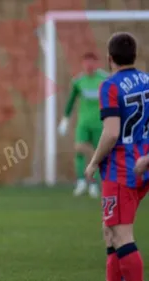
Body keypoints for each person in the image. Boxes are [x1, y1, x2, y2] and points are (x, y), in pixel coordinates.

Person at [85, 32, 149, 281]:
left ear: (109, 58)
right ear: (135, 55)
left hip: (122, 171)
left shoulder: (109, 86)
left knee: (122, 236)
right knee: (110, 233)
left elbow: (111, 133)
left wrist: (93, 162)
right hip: (142, 165)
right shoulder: (147, 80)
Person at [58, 52, 109, 198]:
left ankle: (93, 183)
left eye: (91, 62)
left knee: (97, 155)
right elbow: (71, 101)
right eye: (86, 62)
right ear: (82, 64)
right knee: (79, 150)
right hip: (83, 124)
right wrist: (65, 120)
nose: (89, 65)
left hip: (99, 124)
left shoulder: (104, 80)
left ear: (96, 63)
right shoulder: (78, 81)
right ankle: (81, 181)